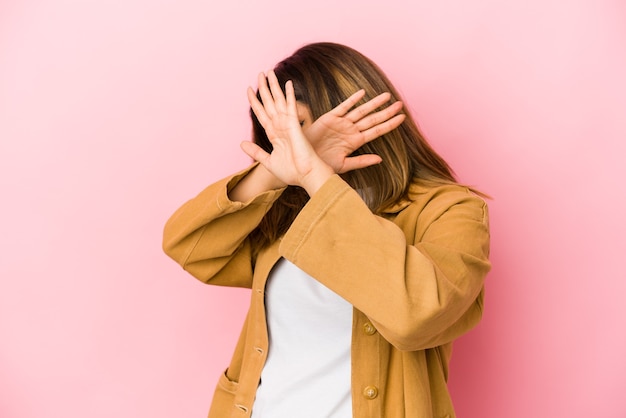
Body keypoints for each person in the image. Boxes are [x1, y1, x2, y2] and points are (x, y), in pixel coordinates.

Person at [163, 42, 491, 418]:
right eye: (279, 133)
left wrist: (315, 174)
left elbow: (416, 317)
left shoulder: (450, 210)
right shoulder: (284, 210)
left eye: (299, 127)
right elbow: (189, 246)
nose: (291, 144)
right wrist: (275, 171)